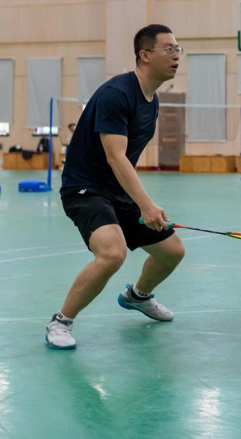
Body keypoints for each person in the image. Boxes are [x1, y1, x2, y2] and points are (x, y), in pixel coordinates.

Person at [45, 24, 185, 350]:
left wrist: (137, 202)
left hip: (116, 191)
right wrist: (146, 205)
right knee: (111, 253)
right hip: (85, 189)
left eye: (178, 49)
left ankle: (138, 296)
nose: (176, 55)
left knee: (172, 252)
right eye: (169, 48)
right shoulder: (116, 94)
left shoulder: (151, 101)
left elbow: (126, 161)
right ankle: (61, 322)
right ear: (145, 55)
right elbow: (115, 156)